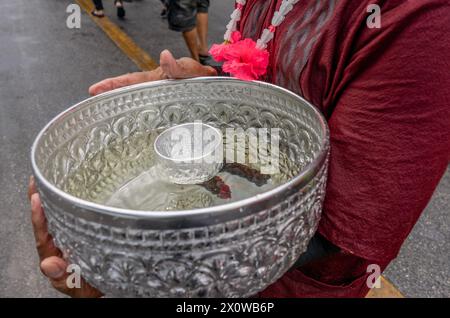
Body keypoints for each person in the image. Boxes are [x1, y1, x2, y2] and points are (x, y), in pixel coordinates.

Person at [29, 0, 450, 297]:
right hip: (224, 194)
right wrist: (209, 80)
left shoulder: (421, 18)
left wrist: (135, 262)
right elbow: (263, 62)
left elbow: (345, 226)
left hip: (291, 284)